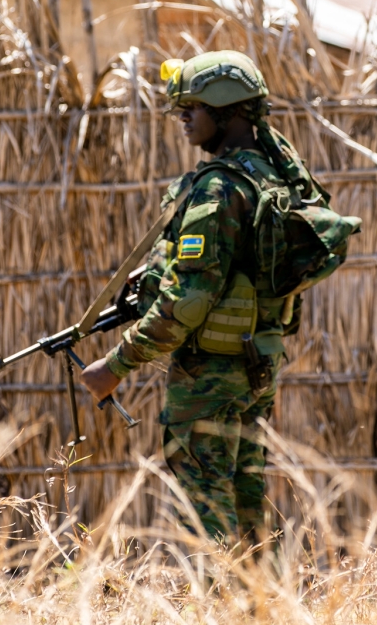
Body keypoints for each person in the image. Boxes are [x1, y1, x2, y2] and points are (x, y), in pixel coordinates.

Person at [80, 50, 327, 545]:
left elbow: (190, 301)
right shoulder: (271, 175)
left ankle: (210, 614)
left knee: (204, 514)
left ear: (229, 110)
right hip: (256, 365)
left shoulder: (217, 190)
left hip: (208, 375)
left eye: (192, 107)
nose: (182, 117)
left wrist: (116, 364)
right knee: (246, 501)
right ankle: (259, 611)